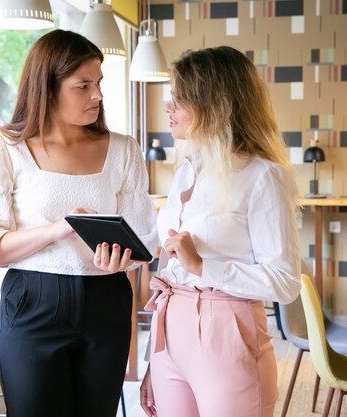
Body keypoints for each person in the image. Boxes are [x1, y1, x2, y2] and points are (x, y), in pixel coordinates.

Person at [0, 29, 157, 417]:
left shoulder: (123, 150)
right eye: (83, 86)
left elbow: (143, 235)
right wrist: (60, 228)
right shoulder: (5, 149)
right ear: (47, 89)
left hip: (107, 302)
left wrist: (127, 259)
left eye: (98, 83)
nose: (97, 95)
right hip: (33, 302)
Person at [139, 46, 302, 417]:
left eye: (179, 99)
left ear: (216, 104)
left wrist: (203, 267)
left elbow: (285, 282)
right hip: (170, 329)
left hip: (227, 331)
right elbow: (171, 266)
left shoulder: (263, 177)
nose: (168, 107)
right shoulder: (186, 170)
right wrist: (154, 360)